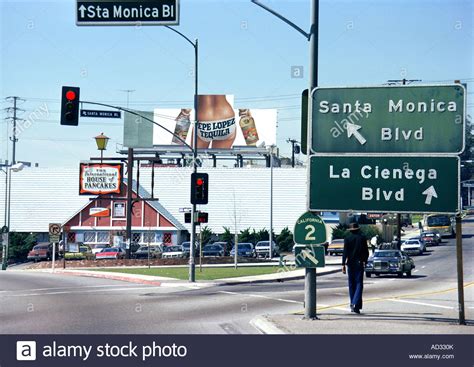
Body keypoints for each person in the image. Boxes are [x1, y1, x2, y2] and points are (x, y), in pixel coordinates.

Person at [342, 223, 369, 314]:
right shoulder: (362, 238)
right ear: (358, 229)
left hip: (350, 263)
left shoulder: (347, 239)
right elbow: (366, 251)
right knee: (359, 284)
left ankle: (354, 305)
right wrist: (365, 260)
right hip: (359, 262)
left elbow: (345, 252)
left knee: (351, 284)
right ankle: (355, 303)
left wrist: (343, 264)